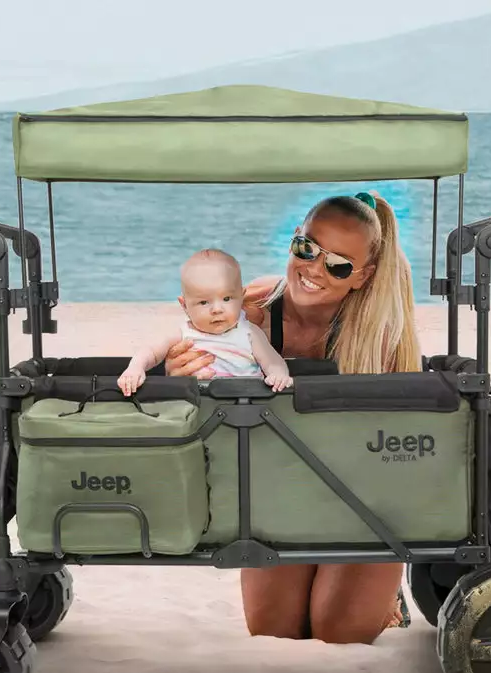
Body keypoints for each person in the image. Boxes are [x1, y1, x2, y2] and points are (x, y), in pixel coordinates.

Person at [165, 191, 422, 644]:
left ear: (361, 277)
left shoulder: (378, 335)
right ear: (294, 240)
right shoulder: (247, 312)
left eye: (338, 265)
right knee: (274, 634)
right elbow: (196, 402)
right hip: (278, 499)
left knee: (338, 633)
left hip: (362, 503)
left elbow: (398, 447)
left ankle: (387, 593)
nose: (314, 269)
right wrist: (178, 374)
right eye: (307, 248)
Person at [117, 248, 293, 397]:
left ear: (241, 296)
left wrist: (278, 375)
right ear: (184, 305)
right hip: (200, 402)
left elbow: (272, 361)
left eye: (226, 298)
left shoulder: (249, 332)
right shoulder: (184, 333)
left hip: (246, 402)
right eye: (203, 302)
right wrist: (135, 368)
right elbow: (150, 352)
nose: (217, 309)